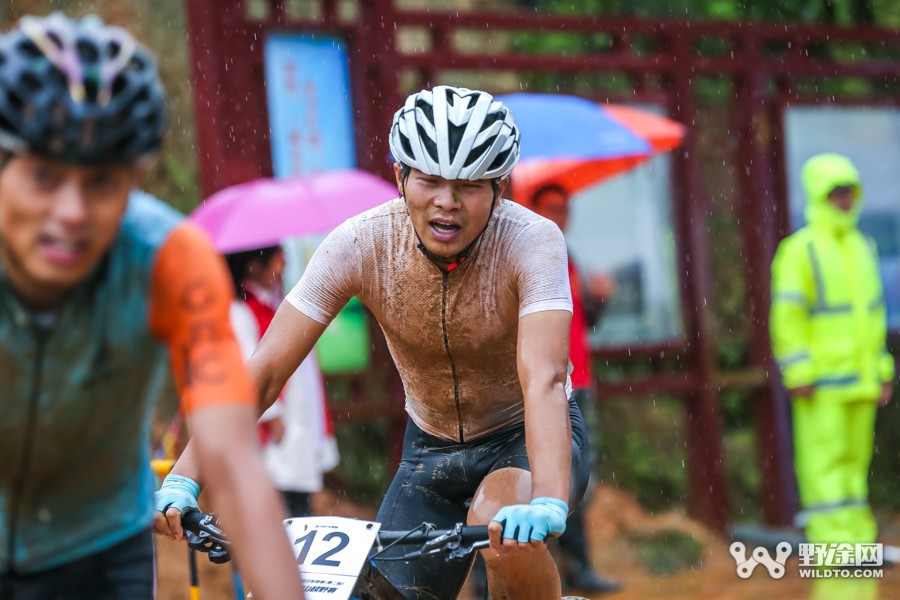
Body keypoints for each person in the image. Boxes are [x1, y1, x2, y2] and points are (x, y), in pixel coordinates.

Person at [154, 84, 591, 600]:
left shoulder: (532, 240)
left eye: (469, 185)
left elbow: (544, 377)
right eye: (429, 180)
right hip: (430, 451)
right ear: (401, 176)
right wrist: (183, 479)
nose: (446, 203)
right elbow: (266, 369)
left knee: (501, 528)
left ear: (499, 188)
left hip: (521, 435)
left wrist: (547, 499)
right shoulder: (360, 242)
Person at [0, 13, 304, 600]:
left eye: (102, 183)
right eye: (43, 176)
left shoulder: (171, 259)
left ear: (136, 177)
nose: (70, 212)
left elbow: (232, 458)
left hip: (100, 547)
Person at [770, 153, 895, 554]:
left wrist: (882, 369)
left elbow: (874, 318)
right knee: (824, 466)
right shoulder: (801, 249)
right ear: (819, 194)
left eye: (848, 191)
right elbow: (787, 317)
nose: (844, 199)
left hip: (860, 379)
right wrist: (799, 372)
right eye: (836, 192)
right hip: (822, 381)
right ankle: (833, 545)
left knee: (854, 468)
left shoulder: (862, 246)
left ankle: (856, 541)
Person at [527, 184, 619, 595]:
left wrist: (599, 300)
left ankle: (577, 569)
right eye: (551, 208)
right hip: (541, 387)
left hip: (577, 381)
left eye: (565, 208)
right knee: (533, 480)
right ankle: (534, 575)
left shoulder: (569, 258)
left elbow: (580, 321)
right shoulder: (527, 255)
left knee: (577, 480)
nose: (560, 215)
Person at [226, 245, 339, 518]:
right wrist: (271, 416)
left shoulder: (279, 304)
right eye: (277, 260)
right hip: (273, 430)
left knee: (296, 508)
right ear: (254, 265)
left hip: (296, 428)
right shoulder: (241, 311)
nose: (283, 267)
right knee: (271, 512)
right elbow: (244, 369)